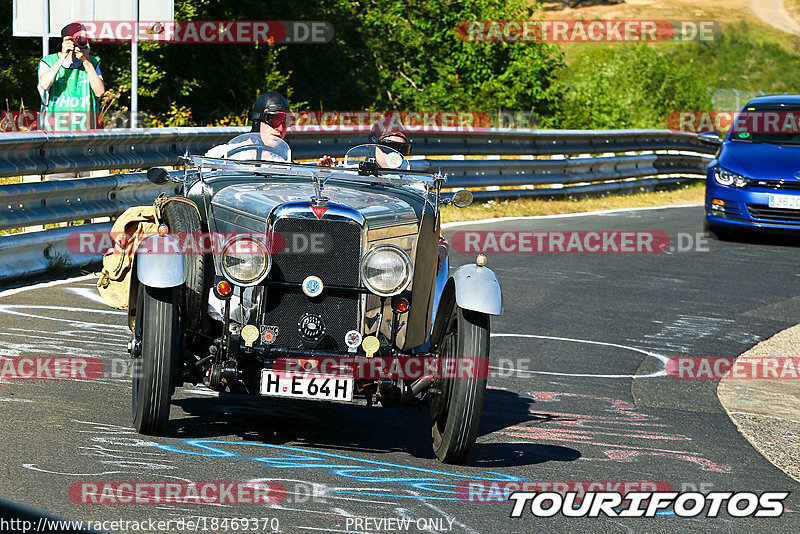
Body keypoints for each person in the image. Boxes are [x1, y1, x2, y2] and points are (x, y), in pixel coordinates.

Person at [320, 117, 448, 274]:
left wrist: (441, 249)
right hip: (352, 254)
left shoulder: (414, 186)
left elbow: (439, 237)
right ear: (373, 147)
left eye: (400, 149)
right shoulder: (349, 176)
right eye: (388, 148)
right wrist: (328, 178)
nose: (394, 155)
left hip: (397, 263)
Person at [38, 22, 105, 132]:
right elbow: (44, 85)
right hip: (55, 130)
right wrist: (63, 56)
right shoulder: (48, 62)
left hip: (86, 130)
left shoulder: (92, 62)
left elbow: (100, 92)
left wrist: (86, 61)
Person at [205, 92, 292, 162]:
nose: (280, 128)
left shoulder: (286, 165)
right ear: (257, 122)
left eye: (286, 121)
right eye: (274, 119)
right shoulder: (220, 155)